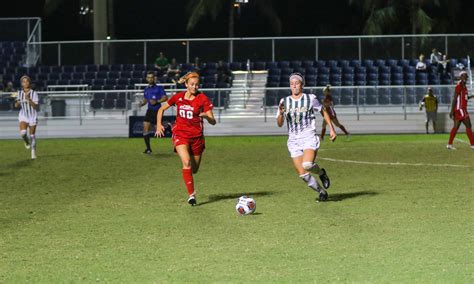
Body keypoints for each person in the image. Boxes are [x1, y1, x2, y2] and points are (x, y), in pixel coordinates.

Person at [155, 72, 216, 205]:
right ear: (186, 84)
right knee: (186, 162)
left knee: (194, 169)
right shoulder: (178, 97)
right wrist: (159, 125)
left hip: (197, 138)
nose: (195, 87)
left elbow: (213, 121)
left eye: (197, 85)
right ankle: (191, 195)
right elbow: (161, 109)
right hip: (180, 135)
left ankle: (189, 179)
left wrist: (206, 116)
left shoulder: (203, 99)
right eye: (192, 84)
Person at [276, 73, 336, 202]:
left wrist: (331, 129)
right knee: (303, 175)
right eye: (292, 84)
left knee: (308, 164)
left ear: (302, 85)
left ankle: (321, 173)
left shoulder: (310, 98)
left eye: (297, 83)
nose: (294, 86)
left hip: (308, 136)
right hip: (293, 141)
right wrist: (281, 114)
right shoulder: (284, 101)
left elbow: (323, 111)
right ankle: (321, 192)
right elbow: (280, 124)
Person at [139, 71, 168, 154]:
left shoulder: (159, 88)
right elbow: (145, 100)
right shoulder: (146, 89)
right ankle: (148, 149)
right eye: (148, 77)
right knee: (145, 129)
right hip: (149, 111)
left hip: (157, 111)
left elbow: (165, 98)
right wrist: (142, 103)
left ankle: (168, 128)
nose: (150, 79)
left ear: (154, 78)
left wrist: (157, 101)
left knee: (159, 131)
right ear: (146, 79)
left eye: (151, 77)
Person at [447, 71, 474, 149]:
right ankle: (473, 144)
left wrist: (471, 97)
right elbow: (455, 98)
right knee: (468, 125)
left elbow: (463, 97)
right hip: (460, 109)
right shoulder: (459, 86)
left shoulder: (464, 86)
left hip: (460, 109)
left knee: (456, 127)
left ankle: (449, 144)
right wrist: (451, 111)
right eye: (465, 76)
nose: (466, 78)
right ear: (461, 77)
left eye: (466, 77)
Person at [14, 75, 39, 159]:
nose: (26, 83)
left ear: (29, 82)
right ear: (21, 84)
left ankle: (33, 151)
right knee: (23, 133)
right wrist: (17, 103)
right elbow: (16, 105)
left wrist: (29, 100)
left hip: (32, 116)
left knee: (32, 136)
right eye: (24, 82)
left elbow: (36, 107)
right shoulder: (19, 93)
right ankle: (26, 142)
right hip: (23, 115)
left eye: (27, 81)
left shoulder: (34, 93)